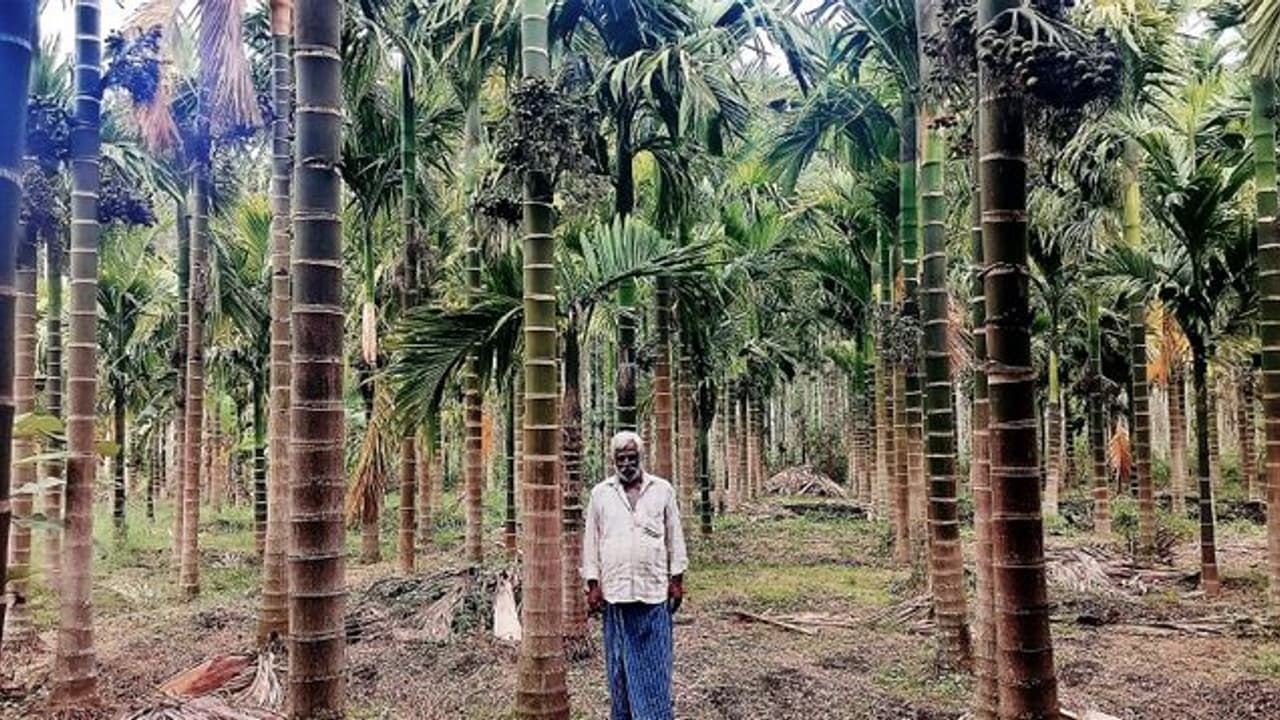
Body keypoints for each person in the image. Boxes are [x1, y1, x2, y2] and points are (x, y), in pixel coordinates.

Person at [582, 430, 688, 720]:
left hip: (653, 594)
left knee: (655, 670)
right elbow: (591, 542)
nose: (627, 464)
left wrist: (676, 580)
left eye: (632, 457)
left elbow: (674, 537)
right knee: (619, 670)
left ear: (642, 457)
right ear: (613, 461)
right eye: (621, 458)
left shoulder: (662, 490)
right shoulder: (601, 494)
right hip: (615, 597)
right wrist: (593, 585)